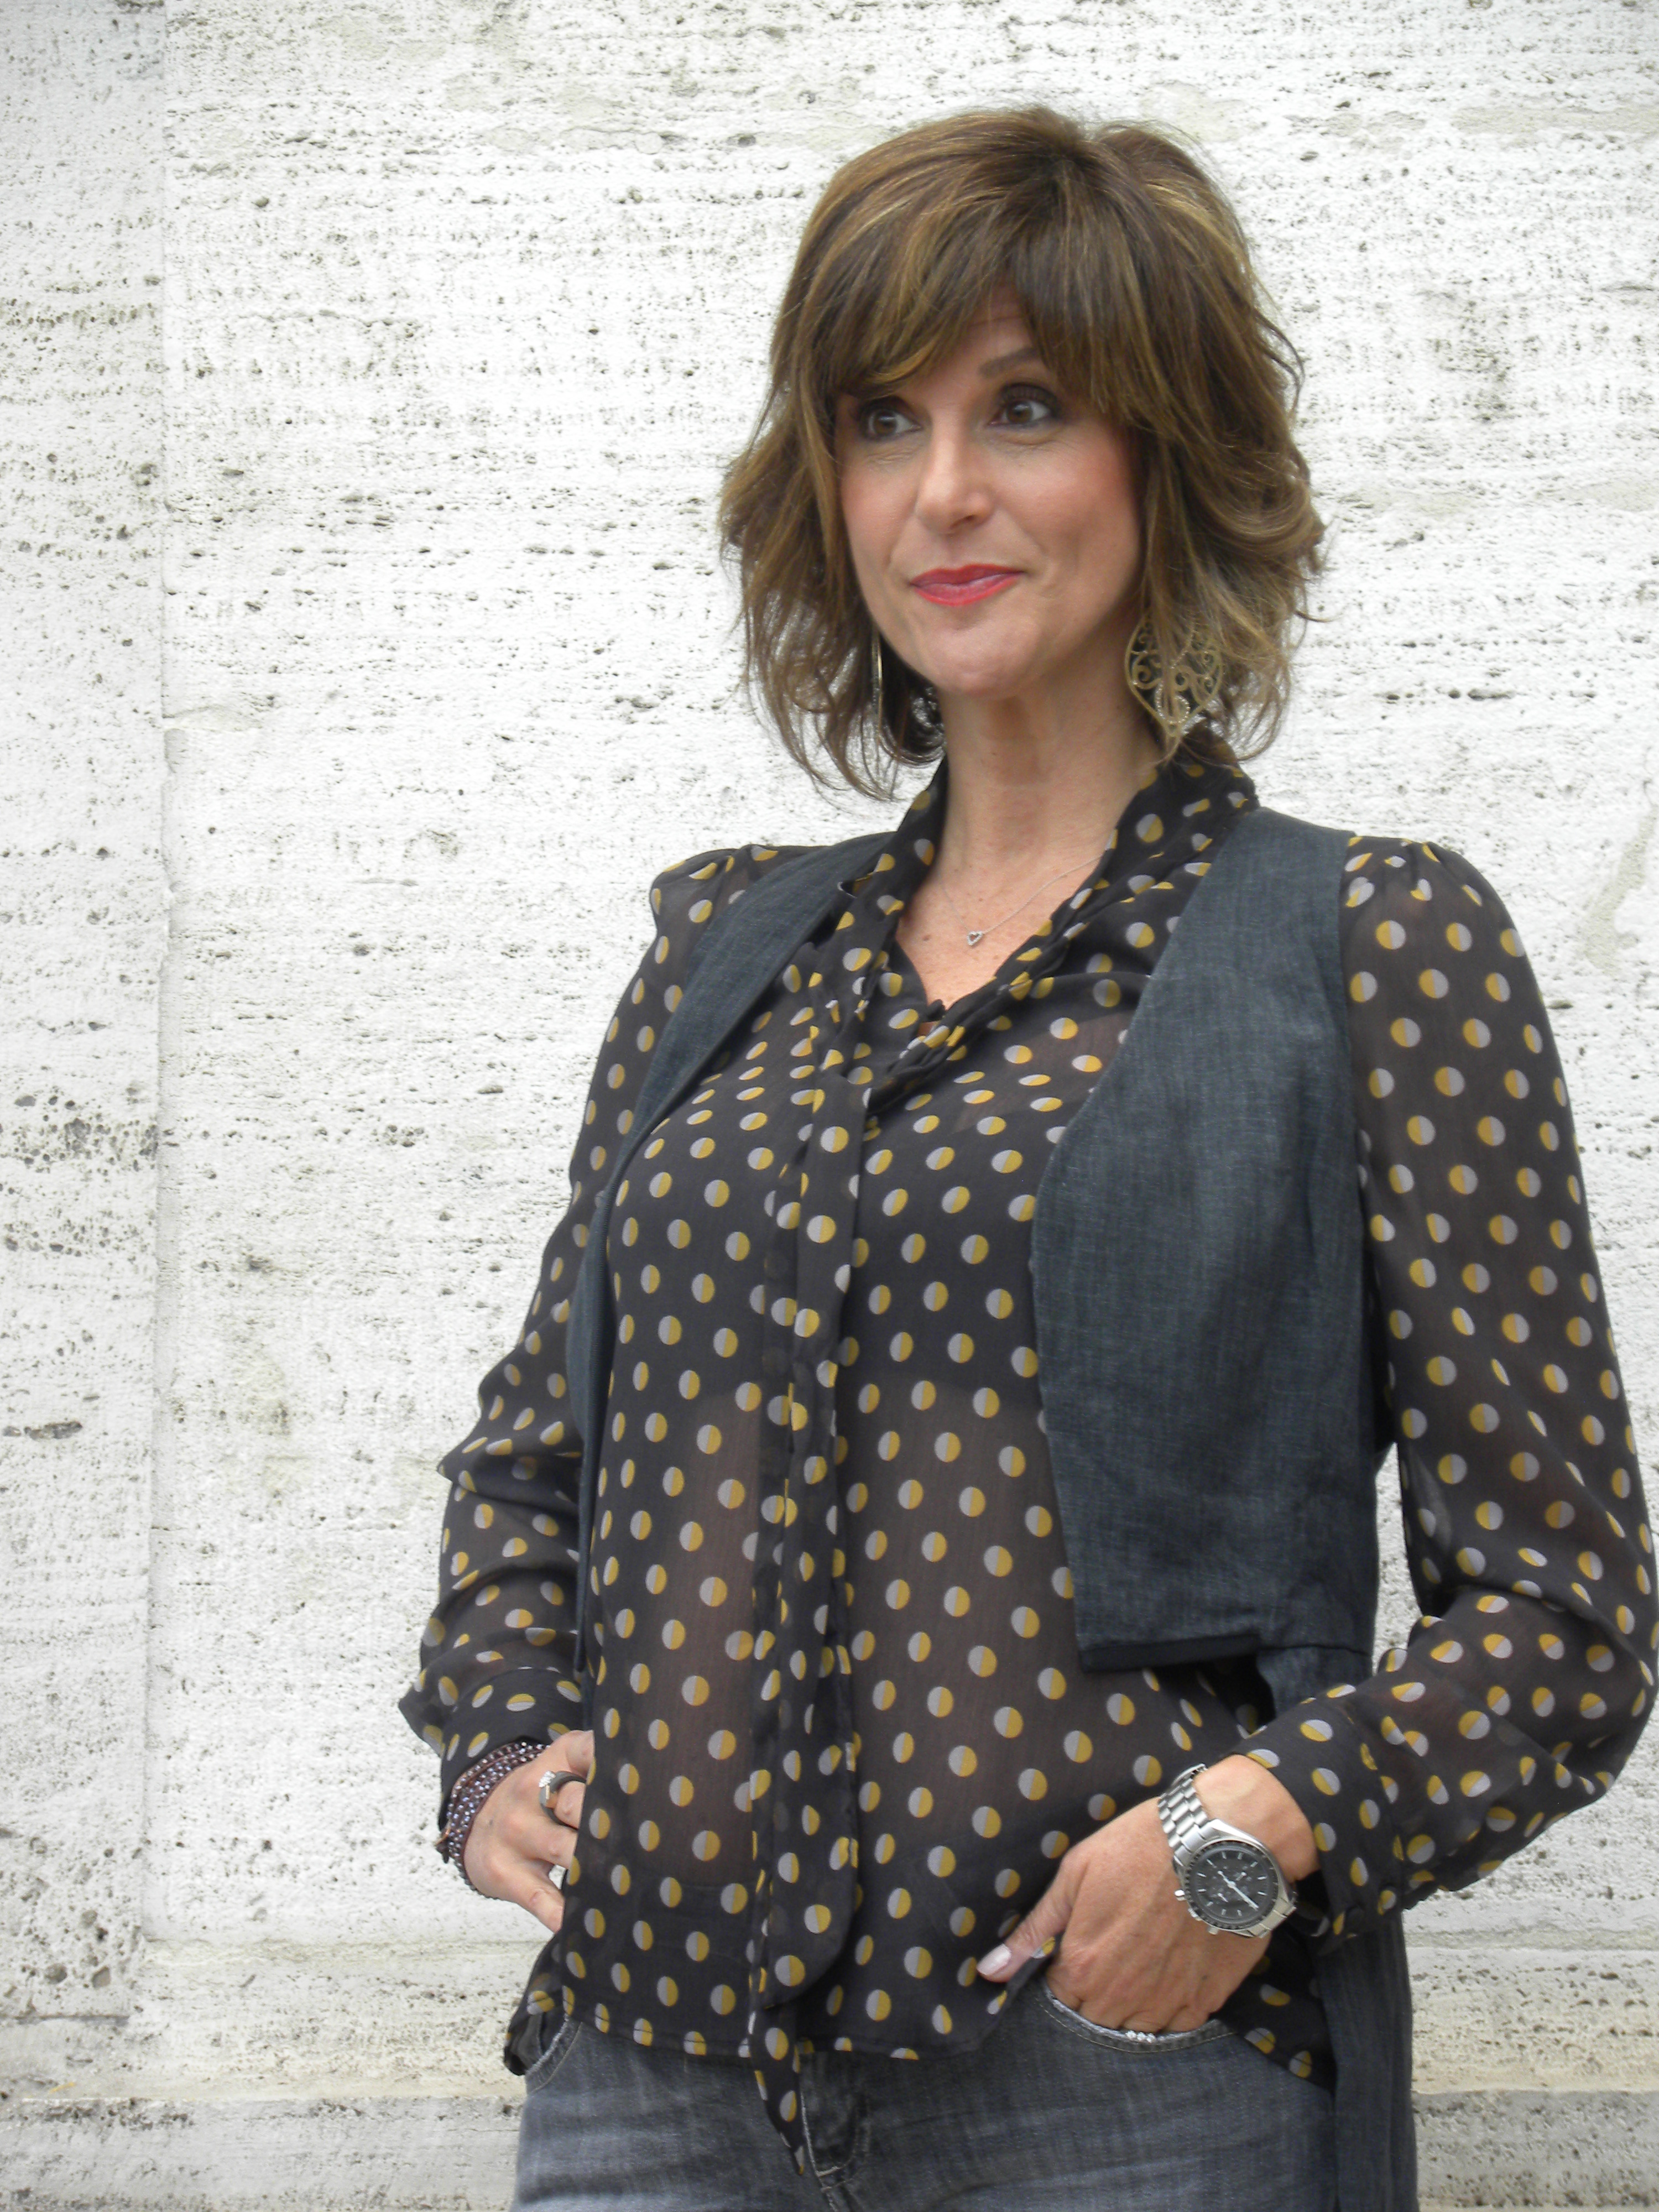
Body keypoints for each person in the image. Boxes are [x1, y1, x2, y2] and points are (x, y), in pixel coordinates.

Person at [400, 108, 1655, 2212]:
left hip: (1121, 2085)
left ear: (1169, 456)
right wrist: (502, 1749)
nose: (945, 493)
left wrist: (1238, 1847)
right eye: (883, 422)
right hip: (653, 2073)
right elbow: (538, 1457)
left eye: (1030, 409)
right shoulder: (722, 951)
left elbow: (1565, 1615)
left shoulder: (1367, 943)